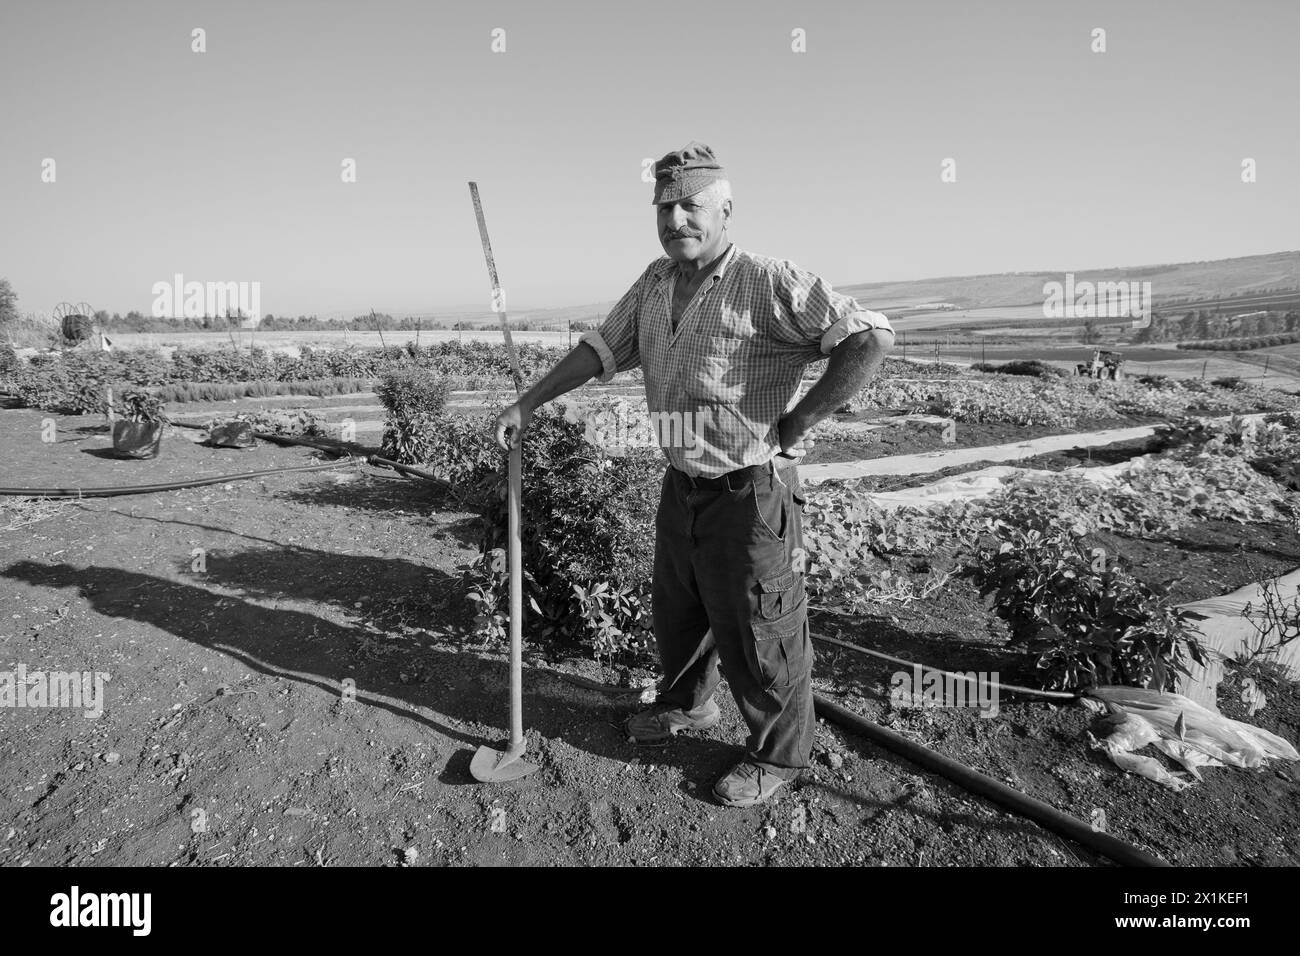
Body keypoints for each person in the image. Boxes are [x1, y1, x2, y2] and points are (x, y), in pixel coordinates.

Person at [494, 141, 894, 807]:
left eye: (691, 205)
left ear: (725, 209)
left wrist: (799, 423)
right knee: (681, 612)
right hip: (682, 482)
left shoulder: (767, 280)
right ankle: (690, 705)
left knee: (762, 627)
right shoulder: (654, 282)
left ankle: (780, 756)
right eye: (665, 207)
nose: (676, 218)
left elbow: (869, 337)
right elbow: (602, 349)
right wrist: (527, 402)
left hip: (750, 489)